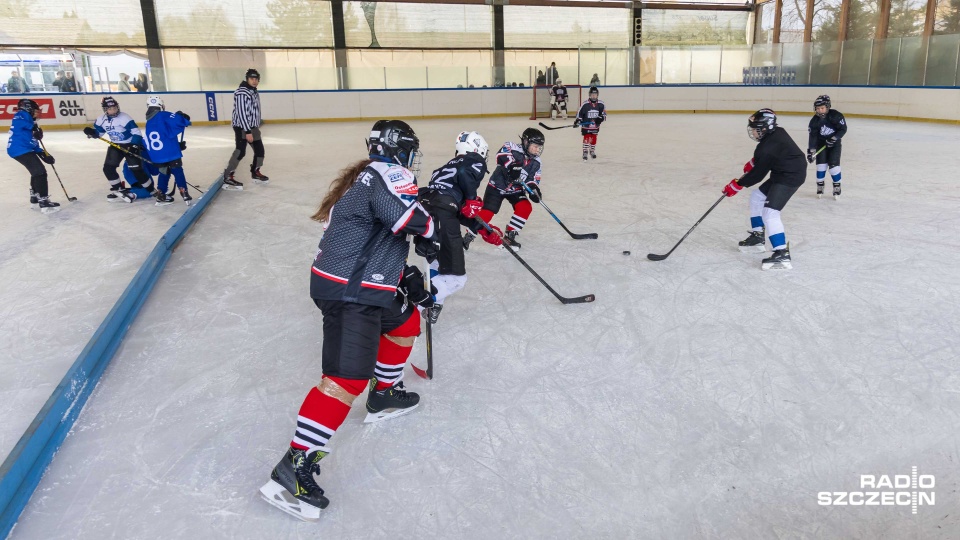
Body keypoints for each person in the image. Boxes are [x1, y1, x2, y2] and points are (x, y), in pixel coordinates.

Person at [259, 120, 437, 522]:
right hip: (350, 292)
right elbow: (406, 219)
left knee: (404, 323)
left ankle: (385, 393)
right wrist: (433, 230)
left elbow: (375, 236)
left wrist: (402, 270)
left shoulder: (369, 179)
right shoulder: (385, 174)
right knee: (344, 380)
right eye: (411, 150)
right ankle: (295, 466)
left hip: (366, 284)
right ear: (399, 150)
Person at [418, 131, 500, 323]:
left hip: (426, 211)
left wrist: (485, 229)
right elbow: (460, 191)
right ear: (476, 148)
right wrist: (472, 198)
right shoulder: (474, 160)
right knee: (456, 278)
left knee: (438, 263)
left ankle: (434, 301)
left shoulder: (443, 169)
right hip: (442, 214)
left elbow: (456, 209)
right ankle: (413, 304)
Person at [722, 108, 806, 271]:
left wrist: (737, 185)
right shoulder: (775, 134)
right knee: (756, 197)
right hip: (781, 171)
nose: (753, 132)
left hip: (791, 175)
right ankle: (758, 237)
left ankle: (781, 253)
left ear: (765, 128)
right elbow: (770, 155)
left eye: (756, 129)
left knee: (770, 213)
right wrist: (755, 161)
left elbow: (757, 175)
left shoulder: (767, 147)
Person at [463, 128, 545, 250]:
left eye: (540, 147)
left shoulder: (537, 162)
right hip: (497, 186)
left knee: (525, 207)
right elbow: (501, 156)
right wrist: (512, 167)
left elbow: (532, 179)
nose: (538, 150)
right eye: (535, 146)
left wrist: (533, 189)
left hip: (516, 189)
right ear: (526, 142)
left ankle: (510, 234)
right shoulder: (511, 147)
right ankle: (469, 236)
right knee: (487, 213)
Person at [81, 96, 151, 203]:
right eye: (110, 109)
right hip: (115, 145)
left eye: (114, 107)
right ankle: (119, 189)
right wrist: (92, 132)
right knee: (108, 168)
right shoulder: (101, 119)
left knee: (136, 170)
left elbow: (136, 133)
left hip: (129, 145)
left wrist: (135, 146)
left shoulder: (125, 117)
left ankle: (150, 190)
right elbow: (99, 133)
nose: (113, 110)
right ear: (105, 110)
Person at [6, 99, 59, 213]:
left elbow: (33, 142)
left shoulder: (31, 122)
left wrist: (43, 153)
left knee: (36, 172)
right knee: (40, 172)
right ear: (28, 109)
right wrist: (33, 127)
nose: (37, 113)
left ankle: (35, 197)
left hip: (24, 149)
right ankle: (43, 200)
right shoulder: (21, 115)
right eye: (35, 111)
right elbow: (18, 123)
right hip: (19, 150)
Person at [221, 68, 268, 190]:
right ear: (247, 79)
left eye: (256, 79)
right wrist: (247, 131)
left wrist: (253, 127)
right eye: (252, 78)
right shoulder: (242, 93)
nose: (254, 81)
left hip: (253, 127)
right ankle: (228, 176)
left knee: (260, 152)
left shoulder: (253, 91)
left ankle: (255, 172)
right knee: (240, 152)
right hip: (242, 127)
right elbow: (242, 113)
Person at [142, 95, 193, 206]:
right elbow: (180, 121)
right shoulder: (163, 115)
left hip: (157, 155)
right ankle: (184, 192)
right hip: (171, 152)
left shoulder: (148, 122)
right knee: (177, 170)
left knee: (163, 172)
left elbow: (158, 136)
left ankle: (161, 194)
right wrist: (182, 117)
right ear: (161, 105)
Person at [807, 95, 847, 200]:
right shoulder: (814, 121)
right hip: (821, 144)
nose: (820, 110)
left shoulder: (836, 116)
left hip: (835, 145)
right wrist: (811, 151)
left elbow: (843, 129)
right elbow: (813, 137)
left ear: (828, 107)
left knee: (834, 166)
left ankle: (837, 186)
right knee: (821, 166)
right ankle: (820, 184)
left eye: (822, 108)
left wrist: (834, 138)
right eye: (818, 108)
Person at [574, 86, 606, 161]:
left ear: (597, 95)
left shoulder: (601, 104)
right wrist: (578, 120)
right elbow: (580, 113)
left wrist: (600, 119)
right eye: (592, 94)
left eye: (595, 94)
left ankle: (592, 151)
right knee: (587, 138)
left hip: (595, 126)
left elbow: (604, 114)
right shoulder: (585, 104)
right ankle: (585, 151)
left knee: (594, 138)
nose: (593, 96)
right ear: (589, 95)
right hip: (586, 125)